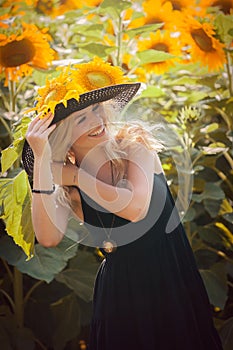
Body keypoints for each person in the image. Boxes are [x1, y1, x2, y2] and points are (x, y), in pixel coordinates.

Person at [23, 57, 223, 350]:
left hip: (168, 277)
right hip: (120, 292)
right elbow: (49, 237)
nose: (96, 120)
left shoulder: (134, 146)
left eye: (95, 110)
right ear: (64, 136)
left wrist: (77, 175)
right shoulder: (65, 182)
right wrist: (42, 162)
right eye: (81, 119)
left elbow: (135, 208)